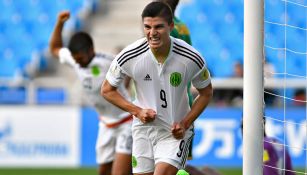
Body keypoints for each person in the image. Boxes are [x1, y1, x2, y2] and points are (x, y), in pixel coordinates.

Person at [101, 2, 213, 175]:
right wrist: (137, 111)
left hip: (175, 132)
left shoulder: (191, 57)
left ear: (171, 26)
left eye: (159, 27)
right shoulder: (130, 55)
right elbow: (107, 90)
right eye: (147, 27)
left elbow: (206, 93)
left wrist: (185, 122)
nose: (152, 33)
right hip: (142, 131)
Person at [49, 11, 132, 175]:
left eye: (80, 58)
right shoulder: (75, 60)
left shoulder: (107, 61)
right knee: (103, 172)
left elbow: (130, 69)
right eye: (75, 59)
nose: (77, 62)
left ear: (91, 51)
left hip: (126, 122)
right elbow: (54, 48)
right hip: (106, 124)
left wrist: (125, 87)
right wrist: (59, 23)